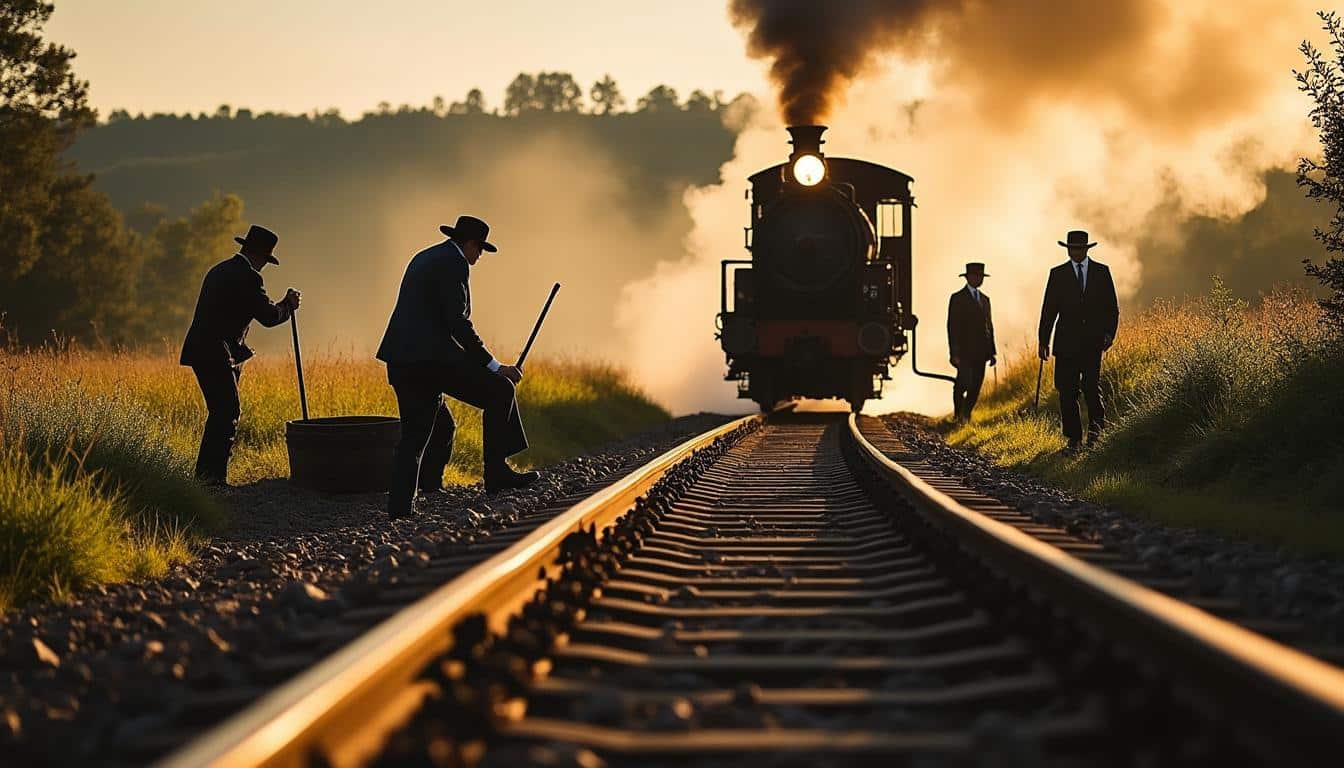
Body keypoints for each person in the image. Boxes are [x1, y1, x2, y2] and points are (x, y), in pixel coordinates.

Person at [377, 215, 538, 519]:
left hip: (402, 360)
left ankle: (418, 495)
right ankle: (496, 474)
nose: (479, 257)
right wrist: (493, 365)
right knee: (500, 389)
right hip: (429, 363)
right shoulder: (454, 263)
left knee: (432, 428)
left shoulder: (427, 257)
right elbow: (458, 323)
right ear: (471, 244)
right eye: (480, 250)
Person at [180, 225, 301, 485]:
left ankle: (207, 478)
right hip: (216, 351)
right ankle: (212, 480)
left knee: (220, 412)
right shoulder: (249, 277)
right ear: (260, 255)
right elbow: (268, 317)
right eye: (266, 260)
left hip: (202, 350)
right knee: (227, 412)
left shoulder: (219, 270)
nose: (264, 266)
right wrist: (288, 305)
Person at [1038, 229, 1120, 452]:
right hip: (1066, 343)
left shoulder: (1101, 272)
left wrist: (1109, 334)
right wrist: (1043, 341)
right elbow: (1049, 310)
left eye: (1078, 248)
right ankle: (1074, 438)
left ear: (1085, 249)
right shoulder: (1058, 274)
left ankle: (1096, 433)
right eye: (1071, 248)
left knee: (1091, 387)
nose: (1074, 252)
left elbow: (1112, 308)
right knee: (1067, 391)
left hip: (1093, 342)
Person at [947, 262, 997, 421]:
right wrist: (954, 353)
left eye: (980, 276)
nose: (978, 279)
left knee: (976, 385)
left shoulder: (985, 299)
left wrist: (992, 352)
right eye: (975, 276)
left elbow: (989, 326)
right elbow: (952, 327)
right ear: (968, 278)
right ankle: (958, 415)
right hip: (964, 351)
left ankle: (966, 414)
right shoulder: (957, 298)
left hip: (982, 352)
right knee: (962, 383)